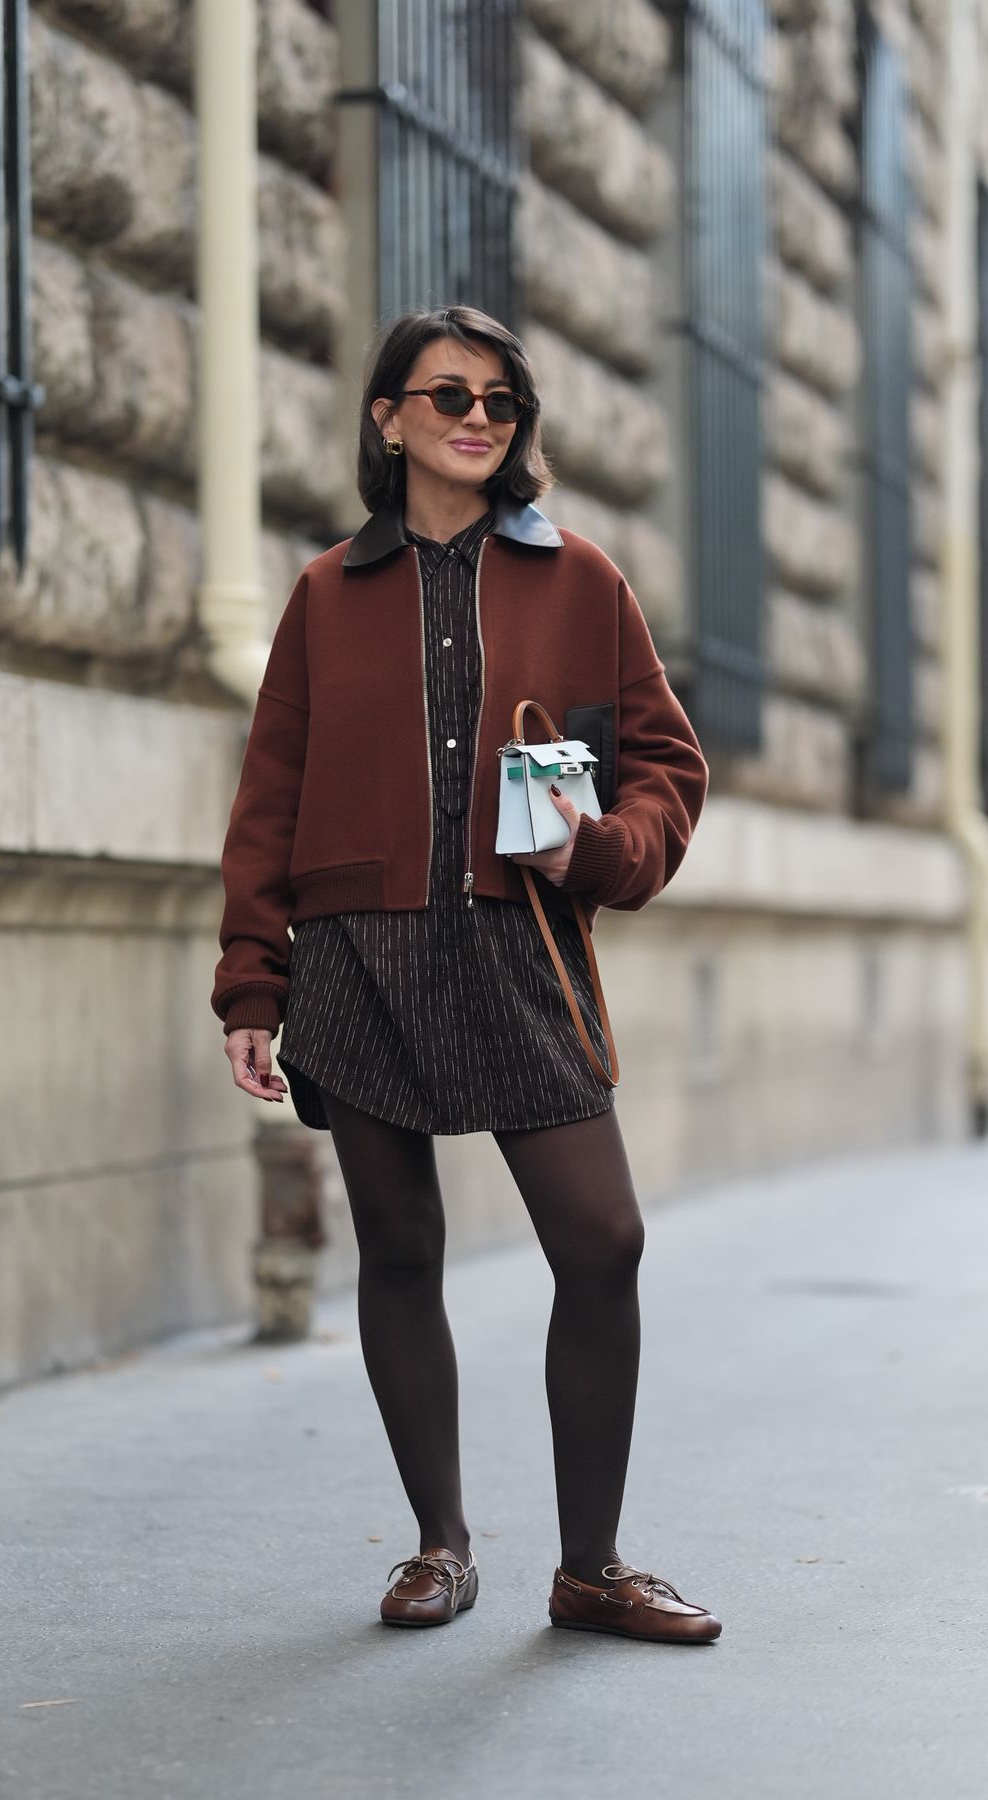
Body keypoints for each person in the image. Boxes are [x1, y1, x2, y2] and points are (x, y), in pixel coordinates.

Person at [211, 305, 720, 1645]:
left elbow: (669, 768)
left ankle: (591, 1567)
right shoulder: (328, 594)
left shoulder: (581, 580)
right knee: (400, 1247)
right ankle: (438, 1547)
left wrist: (600, 849)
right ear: (388, 420)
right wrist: (252, 983)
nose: (479, 418)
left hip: (517, 950)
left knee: (604, 1243)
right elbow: (269, 798)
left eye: (501, 400)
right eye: (448, 396)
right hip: (358, 959)